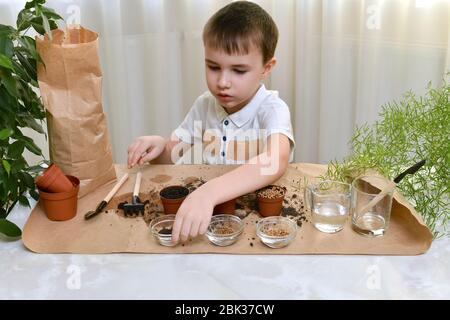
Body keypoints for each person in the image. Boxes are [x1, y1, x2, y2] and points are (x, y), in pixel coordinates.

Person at [127, 1, 295, 243]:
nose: (223, 81)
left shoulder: (272, 109)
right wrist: (159, 146)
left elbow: (275, 161)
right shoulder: (205, 105)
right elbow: (173, 154)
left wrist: (210, 191)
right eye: (213, 67)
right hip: (214, 220)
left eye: (238, 70)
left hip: (259, 222)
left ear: (266, 68)